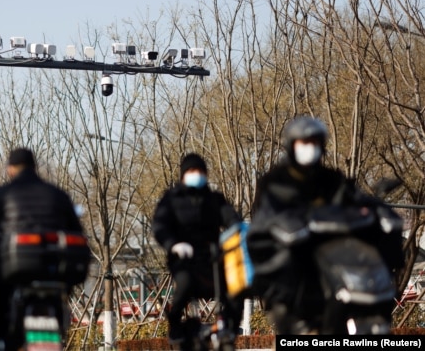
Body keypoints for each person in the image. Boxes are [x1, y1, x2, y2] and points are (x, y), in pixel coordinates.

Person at [247, 115, 404, 333]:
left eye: (314, 142)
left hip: (334, 250)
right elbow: (267, 214)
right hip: (293, 252)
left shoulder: (330, 177)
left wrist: (373, 206)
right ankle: (302, 321)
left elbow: (351, 196)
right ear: (292, 146)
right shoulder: (275, 180)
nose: (310, 148)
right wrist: (288, 224)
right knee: (292, 266)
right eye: (304, 143)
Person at [0, 147, 86, 351]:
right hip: (54, 272)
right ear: (34, 167)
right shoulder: (58, 194)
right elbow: (77, 232)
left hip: (13, 271)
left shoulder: (3, 194)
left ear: (10, 169)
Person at [152, 152, 243, 346]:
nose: (197, 174)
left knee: (236, 287)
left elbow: (231, 218)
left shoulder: (214, 198)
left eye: (200, 171)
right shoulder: (171, 199)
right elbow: (160, 226)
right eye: (192, 171)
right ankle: (175, 324)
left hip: (213, 256)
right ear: (183, 175)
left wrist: (238, 230)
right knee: (185, 284)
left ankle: (230, 328)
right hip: (183, 257)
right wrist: (173, 244)